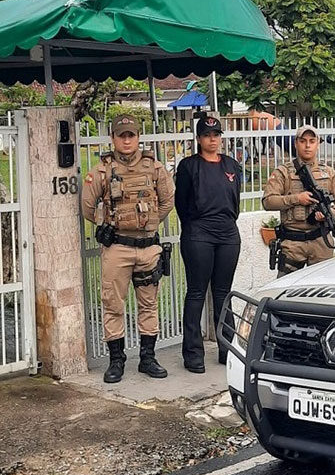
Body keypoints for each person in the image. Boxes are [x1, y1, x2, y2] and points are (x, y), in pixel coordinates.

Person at [81, 115, 175, 383]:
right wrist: (108, 223)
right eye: (121, 135)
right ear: (113, 138)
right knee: (113, 305)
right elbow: (88, 206)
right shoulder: (101, 170)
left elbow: (167, 201)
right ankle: (116, 360)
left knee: (149, 304)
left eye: (131, 135)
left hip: (148, 248)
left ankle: (147, 358)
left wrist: (149, 222)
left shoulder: (154, 167)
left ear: (137, 137)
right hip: (117, 248)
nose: (126, 140)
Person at [174, 116, 242, 372]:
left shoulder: (232, 165)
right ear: (199, 139)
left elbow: (234, 202)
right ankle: (192, 353)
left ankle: (228, 349)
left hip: (227, 234)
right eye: (207, 135)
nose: (212, 139)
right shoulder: (189, 166)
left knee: (224, 294)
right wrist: (196, 226)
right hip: (199, 233)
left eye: (216, 134)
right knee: (196, 293)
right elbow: (181, 203)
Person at [262, 124, 335, 276]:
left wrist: (332, 212)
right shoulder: (283, 172)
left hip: (321, 241)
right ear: (296, 143)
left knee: (322, 292)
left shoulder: (329, 173)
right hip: (292, 243)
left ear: (318, 144)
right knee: (286, 290)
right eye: (303, 141)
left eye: (312, 141)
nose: (307, 145)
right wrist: (296, 198)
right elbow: (268, 201)